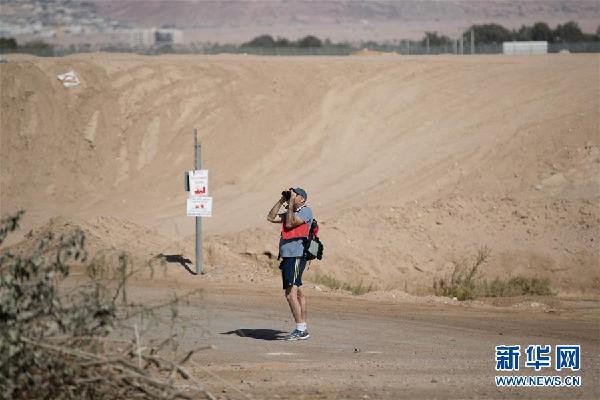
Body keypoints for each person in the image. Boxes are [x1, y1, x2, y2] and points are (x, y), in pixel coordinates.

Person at [267, 187, 313, 341]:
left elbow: (290, 224)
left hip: (296, 255)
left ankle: (300, 329)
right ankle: (303, 327)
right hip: (289, 256)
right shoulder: (290, 211)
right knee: (298, 292)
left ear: (302, 199)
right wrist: (282, 201)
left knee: (290, 293)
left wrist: (291, 203)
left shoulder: (305, 211)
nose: (292, 196)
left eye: (296, 195)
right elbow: (270, 217)